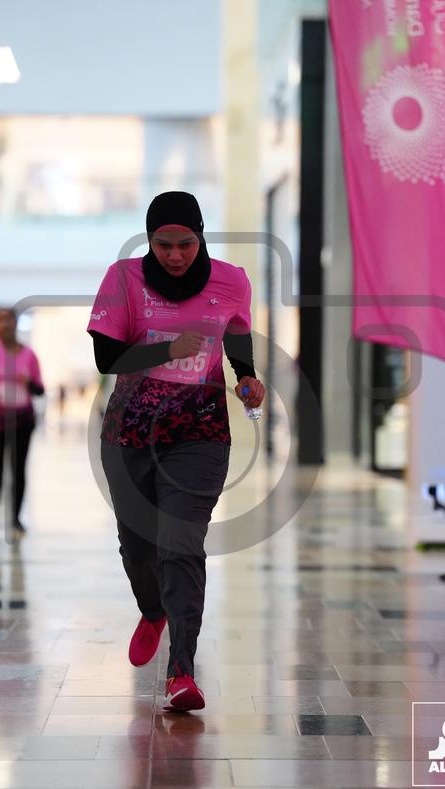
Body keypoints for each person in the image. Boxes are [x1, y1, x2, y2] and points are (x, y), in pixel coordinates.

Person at [88, 191, 265, 712]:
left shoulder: (231, 281)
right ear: (149, 241)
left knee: (181, 545)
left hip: (199, 433)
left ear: (200, 236)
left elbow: (236, 338)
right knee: (137, 548)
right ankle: (153, 610)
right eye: (162, 244)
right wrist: (169, 348)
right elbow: (106, 358)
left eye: (185, 243)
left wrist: (247, 377)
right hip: (129, 434)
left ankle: (181, 671)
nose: (174, 254)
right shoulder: (123, 279)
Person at [0, 308, 45, 532]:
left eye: (9, 319)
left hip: (21, 420)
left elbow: (40, 389)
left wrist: (29, 383)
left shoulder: (29, 355)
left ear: (16, 323)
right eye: (0, 320)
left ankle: (15, 518)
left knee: (18, 469)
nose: (5, 324)